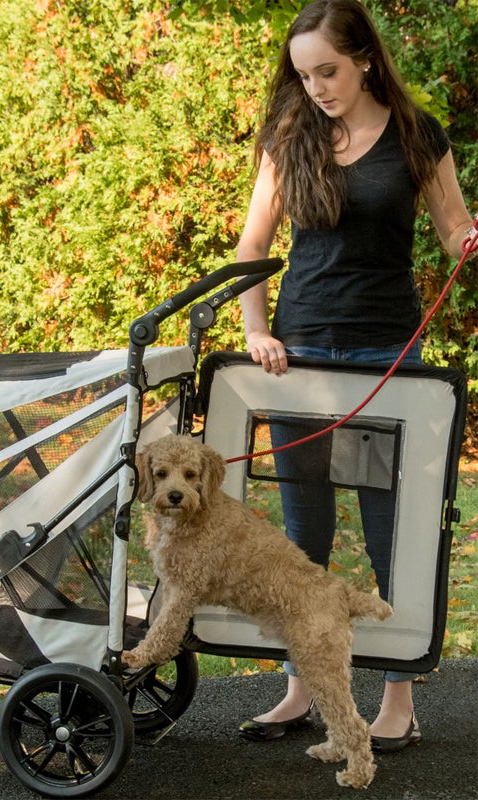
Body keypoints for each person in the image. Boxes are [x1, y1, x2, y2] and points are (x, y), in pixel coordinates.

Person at [234, 0, 475, 753]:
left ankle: (396, 697)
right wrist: (255, 327)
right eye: (305, 75)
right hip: (299, 354)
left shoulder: (414, 135)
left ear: (364, 57)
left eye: (328, 71)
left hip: (384, 358)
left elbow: (452, 228)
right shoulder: (290, 135)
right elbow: (254, 241)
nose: (316, 88)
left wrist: (471, 241)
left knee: (385, 529)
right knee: (302, 536)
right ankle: (301, 691)